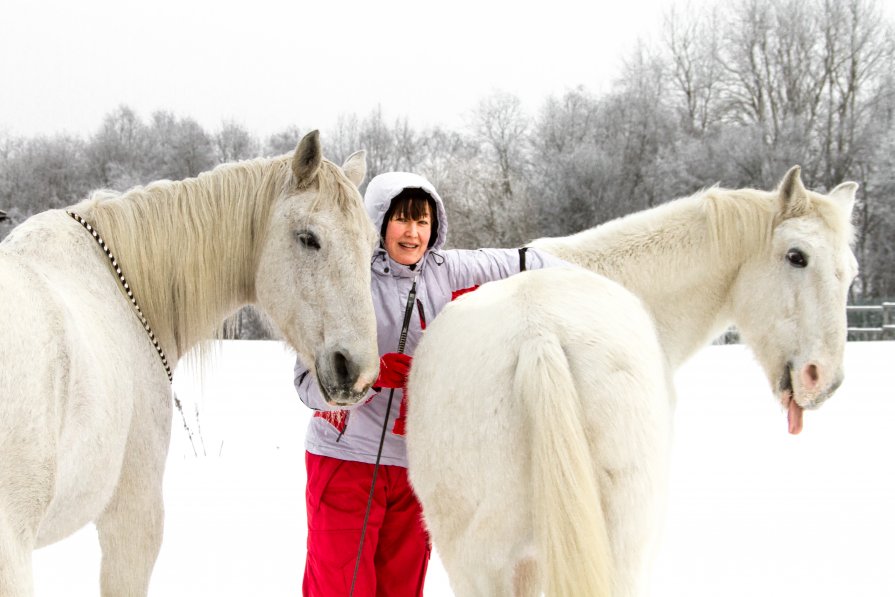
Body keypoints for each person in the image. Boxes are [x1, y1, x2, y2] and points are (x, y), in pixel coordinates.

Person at [294, 171, 569, 596]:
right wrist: (366, 378)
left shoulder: (447, 270)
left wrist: (593, 284)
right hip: (346, 462)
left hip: (415, 468)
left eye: (422, 221)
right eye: (402, 220)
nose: (413, 232)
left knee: (402, 588)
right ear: (379, 221)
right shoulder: (345, 276)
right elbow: (305, 386)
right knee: (340, 587)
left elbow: (528, 261)